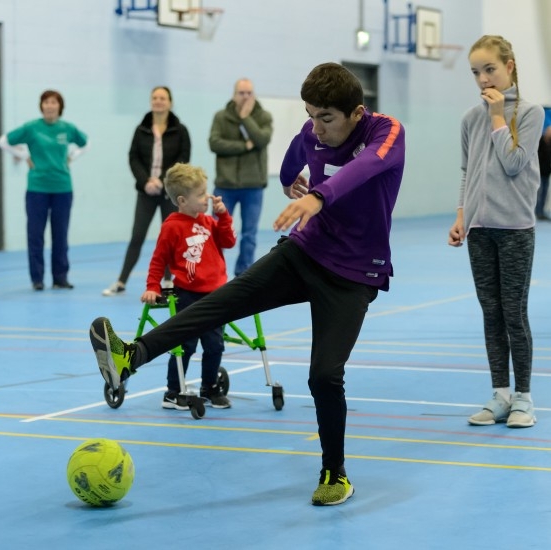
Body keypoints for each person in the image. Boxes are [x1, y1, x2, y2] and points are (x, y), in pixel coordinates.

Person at [90, 63, 405, 506]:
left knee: (324, 376)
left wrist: (319, 195)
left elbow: (368, 165)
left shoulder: (386, 132)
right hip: (305, 253)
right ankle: (130, 356)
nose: (316, 127)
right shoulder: (312, 131)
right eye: (311, 115)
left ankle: (335, 472)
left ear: (355, 112)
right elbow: (294, 158)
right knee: (220, 303)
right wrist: (288, 182)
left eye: (326, 118)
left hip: (354, 274)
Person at [448, 35, 544, 428]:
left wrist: (499, 117)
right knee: (491, 313)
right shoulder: (470, 118)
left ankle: (524, 397)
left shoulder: (531, 113)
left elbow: (514, 164)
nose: (483, 79)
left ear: (510, 67)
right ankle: (500, 394)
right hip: (480, 231)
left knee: (513, 314)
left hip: (515, 230)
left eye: (490, 69)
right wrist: (461, 215)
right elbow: (467, 173)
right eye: (476, 72)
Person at [140, 163, 236, 410]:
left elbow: (229, 241)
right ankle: (173, 392)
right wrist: (153, 286)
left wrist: (223, 216)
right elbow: (159, 259)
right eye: (201, 194)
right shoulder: (172, 226)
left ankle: (210, 388)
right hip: (188, 295)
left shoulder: (208, 221)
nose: (207, 197)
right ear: (182, 200)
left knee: (215, 345)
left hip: (216, 294)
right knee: (185, 345)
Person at [102, 86, 191, 296]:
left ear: (170, 102)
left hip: (170, 191)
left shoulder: (180, 130)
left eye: (162, 98)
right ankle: (121, 281)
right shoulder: (141, 129)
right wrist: (146, 182)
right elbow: (133, 158)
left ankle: (169, 281)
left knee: (169, 237)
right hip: (146, 192)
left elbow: (184, 158)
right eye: (155, 98)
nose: (158, 101)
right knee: (137, 235)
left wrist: (162, 181)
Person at [0, 89, 89, 291]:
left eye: (53, 102)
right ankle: (37, 278)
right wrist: (22, 155)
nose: (49, 106)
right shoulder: (31, 128)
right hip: (37, 188)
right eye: (46, 102)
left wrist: (73, 156)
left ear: (60, 106)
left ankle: (60, 278)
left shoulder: (67, 128)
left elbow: (86, 142)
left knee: (60, 235)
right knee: (35, 234)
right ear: (41, 106)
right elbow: (3, 141)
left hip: (62, 187)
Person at [208, 78, 273, 276]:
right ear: (234, 95)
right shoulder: (221, 117)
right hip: (225, 186)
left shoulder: (263, 116)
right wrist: (244, 147)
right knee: (216, 231)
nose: (245, 97)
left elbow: (262, 139)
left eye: (249, 93)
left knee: (249, 235)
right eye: (241, 93)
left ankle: (243, 274)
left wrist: (246, 118)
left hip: (253, 186)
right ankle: (212, 271)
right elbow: (215, 143)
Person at [536, 107, 551, 220]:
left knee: (544, 192)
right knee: (538, 192)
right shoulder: (540, 142)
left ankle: (541, 211)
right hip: (539, 171)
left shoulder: (550, 143)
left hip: (546, 172)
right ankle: (537, 211)